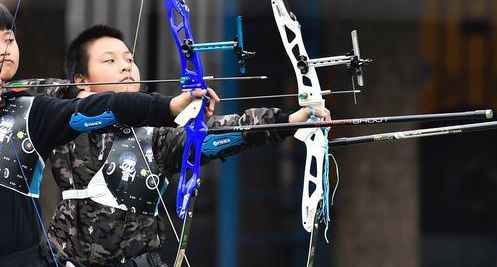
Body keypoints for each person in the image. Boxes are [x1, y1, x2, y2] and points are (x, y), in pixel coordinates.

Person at [0, 0, 214, 266]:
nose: (5, 48)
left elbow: (98, 107)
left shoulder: (34, 110)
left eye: (10, 39)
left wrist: (169, 107)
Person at [46, 25, 330, 267]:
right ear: (81, 80)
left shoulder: (157, 135)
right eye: (109, 61)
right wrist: (76, 96)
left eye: (129, 59)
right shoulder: (63, 120)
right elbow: (28, 94)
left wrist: (289, 120)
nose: (126, 66)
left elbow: (219, 133)